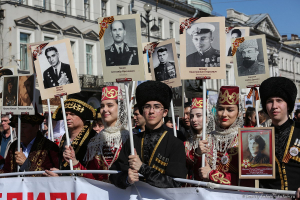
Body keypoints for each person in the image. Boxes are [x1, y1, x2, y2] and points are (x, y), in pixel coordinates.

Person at [110, 81, 187, 189]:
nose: (151, 111)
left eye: (156, 107)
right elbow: (113, 175)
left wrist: (142, 168)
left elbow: (175, 184)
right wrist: (127, 179)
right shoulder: (133, 141)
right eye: (147, 107)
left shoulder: (175, 144)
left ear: (165, 112)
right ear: (142, 111)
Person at [49, 86, 129, 181]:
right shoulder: (95, 142)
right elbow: (90, 177)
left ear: (120, 108)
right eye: (102, 106)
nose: (104, 109)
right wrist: (74, 162)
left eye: (110, 105)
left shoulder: (130, 139)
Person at [198, 86, 254, 186]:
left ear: (239, 112)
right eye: (220, 109)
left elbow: (249, 180)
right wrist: (198, 154)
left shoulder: (247, 138)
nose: (224, 114)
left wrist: (212, 175)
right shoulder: (206, 138)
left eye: (230, 110)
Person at [259, 77, 300, 196]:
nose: (274, 106)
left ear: (288, 105)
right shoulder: (258, 135)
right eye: (269, 101)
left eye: (279, 100)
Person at [45, 93, 96, 175]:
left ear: (82, 116)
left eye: (72, 114)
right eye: (66, 114)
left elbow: (92, 173)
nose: (67, 118)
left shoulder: (93, 138)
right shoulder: (65, 137)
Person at [0, 111, 59, 175]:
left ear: (36, 127)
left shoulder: (49, 147)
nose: (19, 131)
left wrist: (26, 164)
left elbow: (51, 175)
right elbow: (7, 171)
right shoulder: (14, 146)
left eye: (23, 127)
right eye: (17, 127)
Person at [185, 98, 204, 181]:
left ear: (208, 117)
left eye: (198, 116)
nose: (194, 120)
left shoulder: (215, 141)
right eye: (192, 116)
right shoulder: (187, 142)